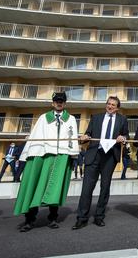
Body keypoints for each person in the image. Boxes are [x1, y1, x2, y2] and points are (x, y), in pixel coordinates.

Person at [14, 92, 80, 232]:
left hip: (61, 156)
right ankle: (29, 220)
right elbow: (36, 135)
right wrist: (32, 154)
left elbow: (72, 137)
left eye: (61, 101)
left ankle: (53, 218)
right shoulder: (43, 118)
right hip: (42, 155)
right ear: (52, 103)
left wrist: (72, 155)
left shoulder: (71, 119)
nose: (59, 103)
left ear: (65, 103)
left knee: (55, 187)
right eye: (56, 101)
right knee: (36, 184)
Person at [73, 96, 129, 230]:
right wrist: (84, 137)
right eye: (108, 104)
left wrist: (123, 138)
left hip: (110, 157)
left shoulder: (122, 119)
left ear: (117, 108)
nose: (110, 106)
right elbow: (88, 135)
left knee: (105, 187)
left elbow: (126, 136)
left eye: (113, 105)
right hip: (94, 154)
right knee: (87, 188)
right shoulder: (96, 118)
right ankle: (82, 218)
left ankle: (99, 216)